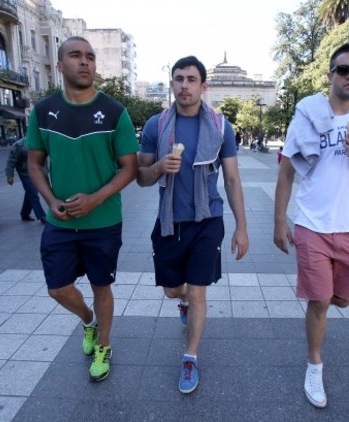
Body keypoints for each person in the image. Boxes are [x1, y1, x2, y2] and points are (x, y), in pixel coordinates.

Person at [274, 43, 349, 408]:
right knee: (320, 301)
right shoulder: (307, 117)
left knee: (342, 300)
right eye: (343, 69)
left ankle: (326, 318)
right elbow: (286, 172)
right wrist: (280, 220)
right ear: (330, 74)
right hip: (311, 226)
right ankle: (314, 365)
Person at [25, 36, 139, 383]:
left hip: (103, 221)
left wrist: (95, 198)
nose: (85, 62)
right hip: (59, 222)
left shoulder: (115, 111)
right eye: (75, 56)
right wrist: (49, 199)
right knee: (57, 288)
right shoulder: (43, 111)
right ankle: (88, 322)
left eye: (90, 56)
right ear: (60, 65)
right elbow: (34, 164)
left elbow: (129, 168)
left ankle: (103, 345)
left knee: (101, 286)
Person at [137, 55, 249, 395]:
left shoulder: (220, 126)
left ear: (203, 85)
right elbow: (140, 177)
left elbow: (231, 179)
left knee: (199, 291)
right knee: (174, 289)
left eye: (190, 79)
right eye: (178, 78)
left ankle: (190, 358)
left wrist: (241, 227)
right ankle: (181, 300)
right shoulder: (157, 125)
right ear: (171, 83)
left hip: (206, 221)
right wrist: (159, 167)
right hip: (170, 222)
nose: (184, 85)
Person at [5, 138, 46, 223]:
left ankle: (24, 213)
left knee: (30, 193)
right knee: (33, 193)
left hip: (37, 171)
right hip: (24, 172)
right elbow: (11, 160)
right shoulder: (19, 145)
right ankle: (42, 216)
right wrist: (10, 176)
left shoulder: (41, 142)